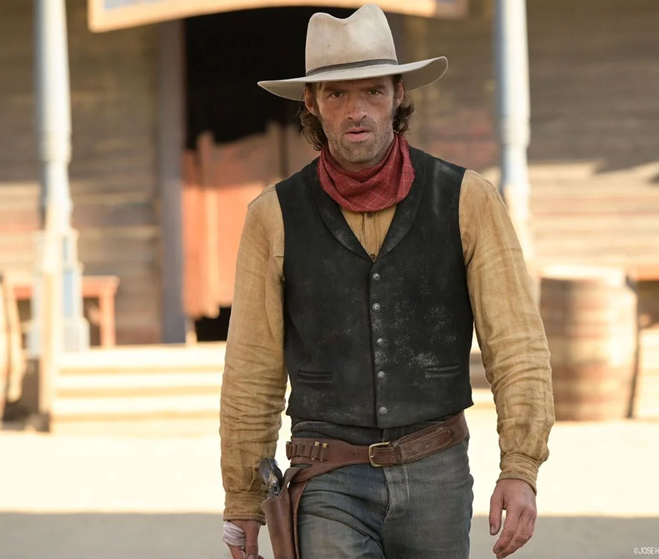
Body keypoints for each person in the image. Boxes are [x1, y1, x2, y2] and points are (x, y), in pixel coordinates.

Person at [219, 4, 554, 559]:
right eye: (337, 94)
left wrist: (520, 467)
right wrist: (243, 498)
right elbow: (251, 368)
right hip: (325, 475)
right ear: (312, 103)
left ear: (399, 95)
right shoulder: (272, 216)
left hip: (436, 473)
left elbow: (516, 343)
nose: (356, 111)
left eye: (373, 91)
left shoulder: (467, 199)